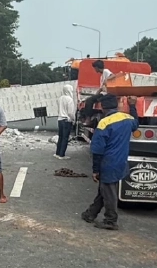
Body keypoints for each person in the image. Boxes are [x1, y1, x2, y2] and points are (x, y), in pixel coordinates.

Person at [81, 94, 139, 230]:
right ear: (117, 105)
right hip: (121, 161)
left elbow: (97, 150)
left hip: (108, 162)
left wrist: (95, 170)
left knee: (109, 191)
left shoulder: (104, 123)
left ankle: (111, 220)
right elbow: (136, 123)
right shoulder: (127, 118)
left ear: (103, 108)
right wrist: (132, 106)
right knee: (105, 189)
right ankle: (91, 214)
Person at [55, 84, 77, 159]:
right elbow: (70, 112)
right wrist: (73, 119)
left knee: (60, 137)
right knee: (65, 138)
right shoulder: (69, 99)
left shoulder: (60, 98)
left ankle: (57, 153)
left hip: (60, 119)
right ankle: (62, 155)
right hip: (67, 120)